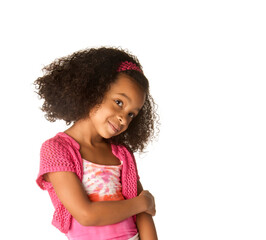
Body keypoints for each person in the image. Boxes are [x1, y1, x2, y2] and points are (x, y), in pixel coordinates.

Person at [34, 47, 159, 240]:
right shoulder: (57, 150)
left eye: (131, 114)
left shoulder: (121, 153)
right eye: (119, 102)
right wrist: (142, 203)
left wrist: (143, 207)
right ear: (94, 90)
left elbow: (144, 216)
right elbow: (86, 214)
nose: (123, 119)